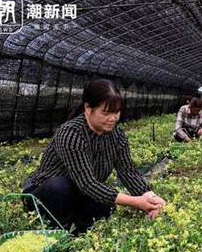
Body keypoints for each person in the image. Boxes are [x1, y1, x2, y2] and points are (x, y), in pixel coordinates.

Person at [22, 79, 166, 235]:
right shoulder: (71, 133)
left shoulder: (116, 135)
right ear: (88, 108)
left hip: (79, 193)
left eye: (116, 112)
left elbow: (128, 171)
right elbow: (87, 183)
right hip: (43, 193)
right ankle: (58, 233)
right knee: (60, 186)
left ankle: (79, 232)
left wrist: (151, 198)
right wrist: (136, 202)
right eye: (106, 113)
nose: (113, 118)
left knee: (105, 205)